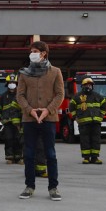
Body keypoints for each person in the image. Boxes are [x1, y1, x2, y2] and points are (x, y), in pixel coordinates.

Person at [16, 41, 64, 201]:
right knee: (29, 154)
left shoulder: (55, 72)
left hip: (48, 118)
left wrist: (47, 110)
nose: (32, 54)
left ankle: (53, 188)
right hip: (29, 119)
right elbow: (20, 95)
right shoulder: (24, 73)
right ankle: (29, 186)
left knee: (50, 153)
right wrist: (29, 110)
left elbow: (60, 94)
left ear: (44, 53)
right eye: (31, 51)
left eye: (35, 51)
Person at [69, 77, 105, 164]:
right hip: (83, 123)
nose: (88, 86)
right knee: (85, 140)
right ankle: (86, 157)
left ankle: (95, 158)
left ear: (92, 86)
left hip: (96, 122)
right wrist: (75, 117)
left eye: (90, 85)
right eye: (86, 85)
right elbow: (71, 107)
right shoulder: (77, 96)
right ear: (82, 86)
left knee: (96, 140)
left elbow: (103, 106)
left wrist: (101, 116)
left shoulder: (98, 96)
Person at [0, 74, 23, 164]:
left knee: (18, 139)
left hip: (18, 122)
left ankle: (19, 157)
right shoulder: (3, 96)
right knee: (8, 139)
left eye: (13, 82)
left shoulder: (20, 96)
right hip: (7, 122)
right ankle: (9, 157)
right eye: (10, 82)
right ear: (7, 84)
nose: (12, 84)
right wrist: (0, 118)